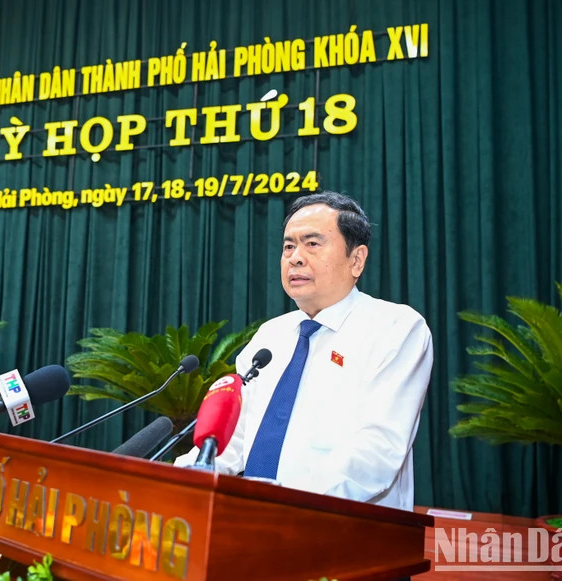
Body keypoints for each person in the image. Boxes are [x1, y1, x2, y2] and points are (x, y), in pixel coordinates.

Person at [175, 191, 433, 511]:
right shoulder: (270, 336)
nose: (295, 257)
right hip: (256, 521)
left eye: (312, 244)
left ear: (356, 260)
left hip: (346, 528)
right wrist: (180, 479)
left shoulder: (395, 328)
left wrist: (286, 504)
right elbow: (235, 438)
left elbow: (377, 452)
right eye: (288, 246)